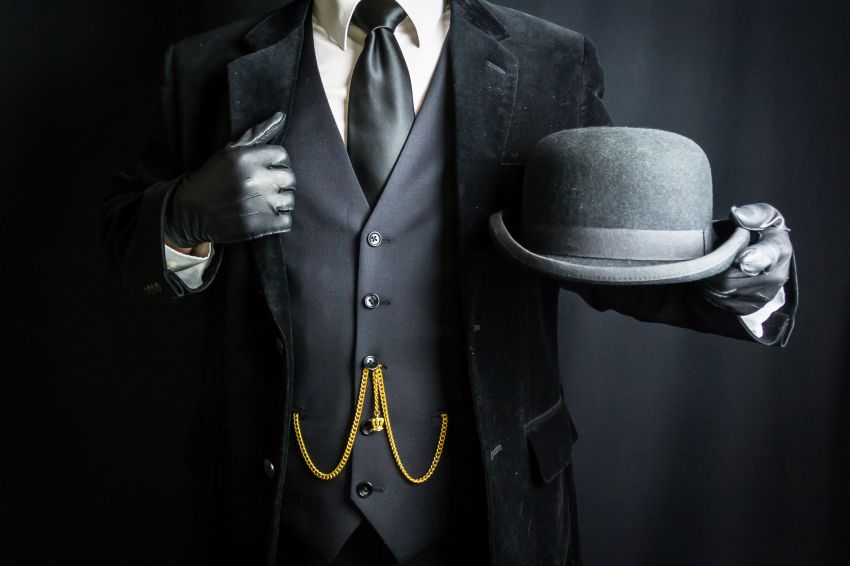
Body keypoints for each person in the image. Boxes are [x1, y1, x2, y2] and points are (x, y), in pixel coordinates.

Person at [101, 0, 797, 564]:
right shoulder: (205, 65)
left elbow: (611, 250)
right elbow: (126, 239)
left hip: (490, 509)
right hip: (272, 511)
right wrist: (182, 214)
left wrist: (735, 280)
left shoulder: (549, 59)